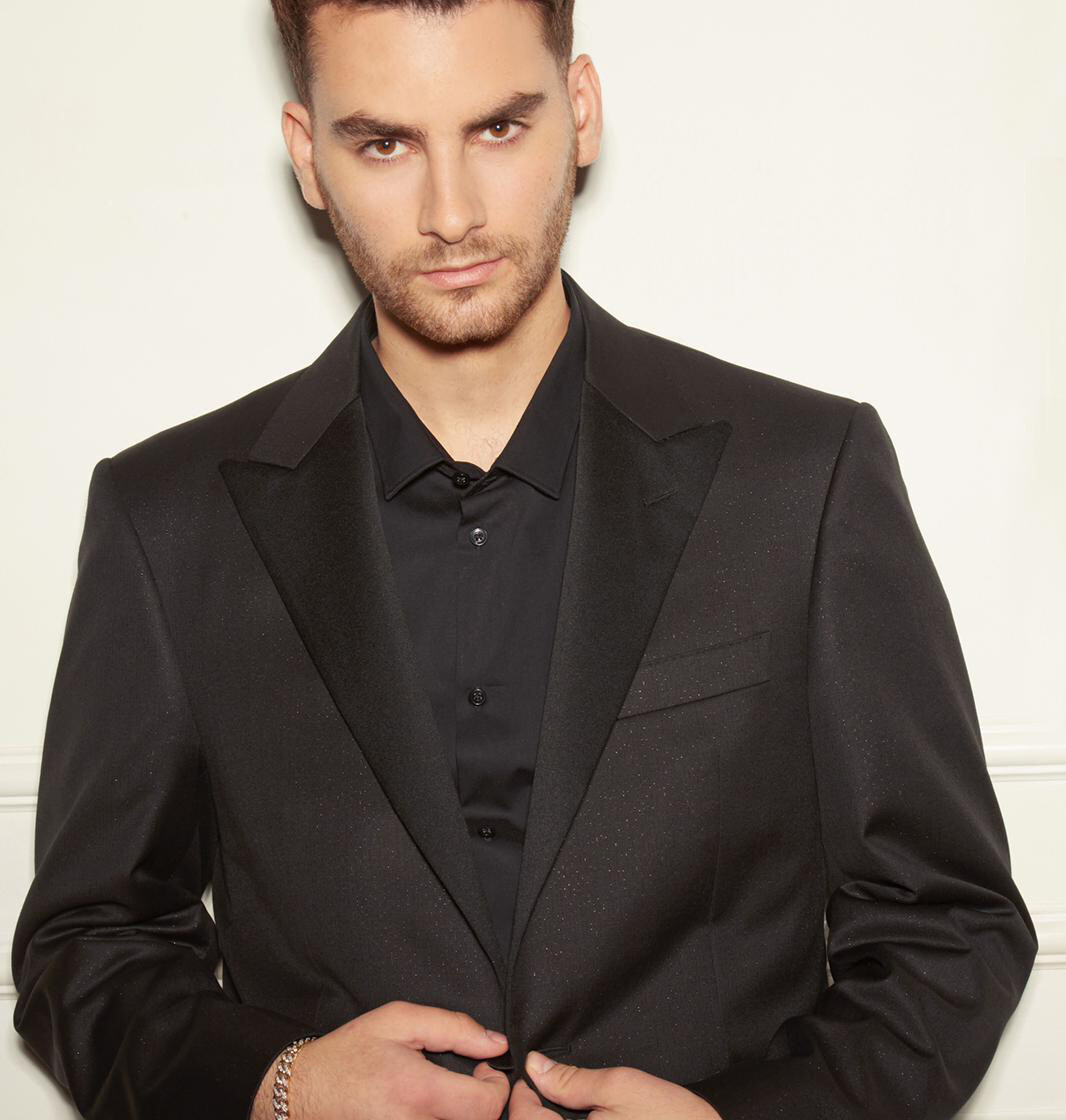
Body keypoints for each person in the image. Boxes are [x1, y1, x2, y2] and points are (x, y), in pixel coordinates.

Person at [10, 1, 1037, 1118]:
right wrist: (278, 1085)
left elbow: (950, 926)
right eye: (385, 143)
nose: (451, 214)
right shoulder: (168, 518)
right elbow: (86, 945)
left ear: (580, 111)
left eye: (498, 127)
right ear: (307, 156)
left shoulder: (804, 476)